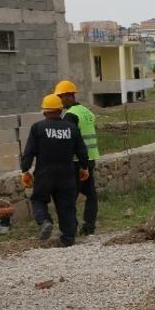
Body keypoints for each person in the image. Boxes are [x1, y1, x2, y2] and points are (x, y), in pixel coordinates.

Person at [20, 94, 90, 247]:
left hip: (44, 174)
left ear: (45, 111)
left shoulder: (37, 128)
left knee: (38, 199)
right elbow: (82, 151)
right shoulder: (72, 128)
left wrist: (25, 170)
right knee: (66, 205)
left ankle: (45, 221)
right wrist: (84, 167)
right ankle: (68, 238)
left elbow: (29, 152)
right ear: (60, 110)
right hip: (67, 174)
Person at [54, 79, 99, 236]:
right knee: (91, 194)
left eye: (60, 97)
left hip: (76, 161)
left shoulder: (70, 116)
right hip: (90, 158)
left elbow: (69, 140)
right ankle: (89, 227)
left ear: (68, 96)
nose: (59, 101)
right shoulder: (86, 111)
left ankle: (70, 229)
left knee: (69, 196)